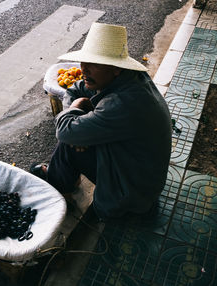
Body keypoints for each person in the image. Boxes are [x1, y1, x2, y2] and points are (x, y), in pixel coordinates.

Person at [31, 22, 172, 221]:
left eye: (94, 64)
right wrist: (77, 113)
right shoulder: (128, 77)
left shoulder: (123, 102)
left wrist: (74, 112)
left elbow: (64, 131)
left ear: (116, 68)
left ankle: (59, 186)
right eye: (84, 62)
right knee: (75, 134)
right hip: (136, 171)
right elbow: (74, 90)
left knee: (69, 141)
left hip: (132, 194)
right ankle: (61, 178)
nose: (84, 69)